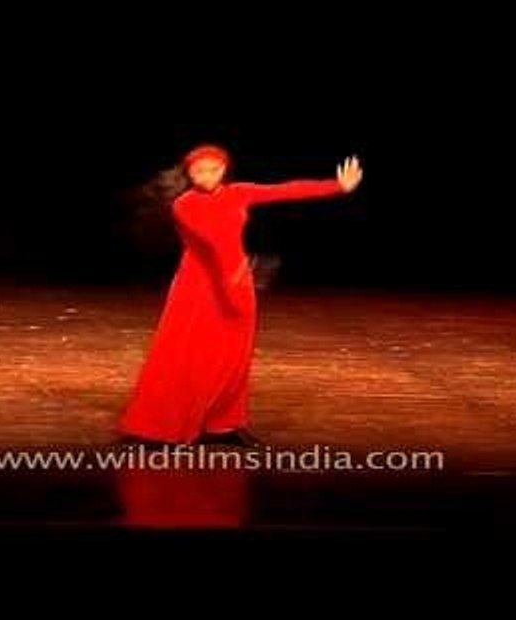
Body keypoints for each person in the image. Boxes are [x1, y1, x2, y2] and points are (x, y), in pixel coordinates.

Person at [119, 144, 363, 445]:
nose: (207, 176)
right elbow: (217, 243)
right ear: (189, 173)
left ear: (225, 170)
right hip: (200, 288)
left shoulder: (238, 193)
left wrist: (337, 186)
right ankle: (162, 425)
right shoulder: (185, 204)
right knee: (187, 355)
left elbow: (286, 190)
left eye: (214, 169)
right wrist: (237, 280)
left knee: (234, 355)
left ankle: (224, 423)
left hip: (236, 280)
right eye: (199, 171)